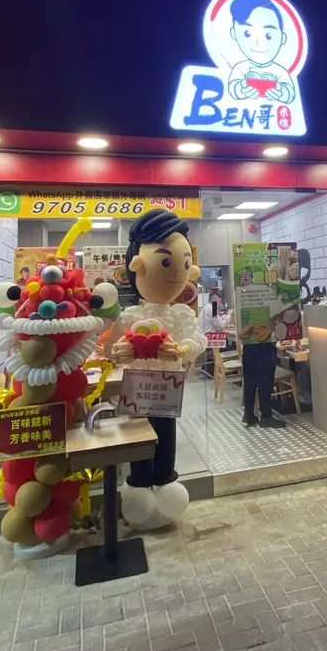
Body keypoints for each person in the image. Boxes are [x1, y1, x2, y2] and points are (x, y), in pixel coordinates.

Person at [108, 209, 206, 530]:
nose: (178, 273)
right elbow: (112, 352)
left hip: (166, 389)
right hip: (136, 388)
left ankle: (165, 482)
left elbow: (199, 339)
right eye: (166, 263)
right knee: (138, 439)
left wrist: (182, 349)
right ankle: (138, 486)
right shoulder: (129, 316)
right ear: (137, 264)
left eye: (185, 265)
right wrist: (121, 351)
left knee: (165, 435)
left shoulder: (181, 314)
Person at [228, 0, 295, 104]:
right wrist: (242, 90)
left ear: (283, 38)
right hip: (243, 111)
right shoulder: (240, 68)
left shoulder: (280, 71)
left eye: (269, 36)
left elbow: (290, 93)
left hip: (273, 111)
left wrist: (281, 93)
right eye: (247, 33)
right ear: (233, 33)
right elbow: (232, 87)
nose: (259, 43)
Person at [242, 340, 286, 429]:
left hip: (248, 345)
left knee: (249, 380)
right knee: (265, 381)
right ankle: (266, 417)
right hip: (264, 345)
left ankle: (249, 414)